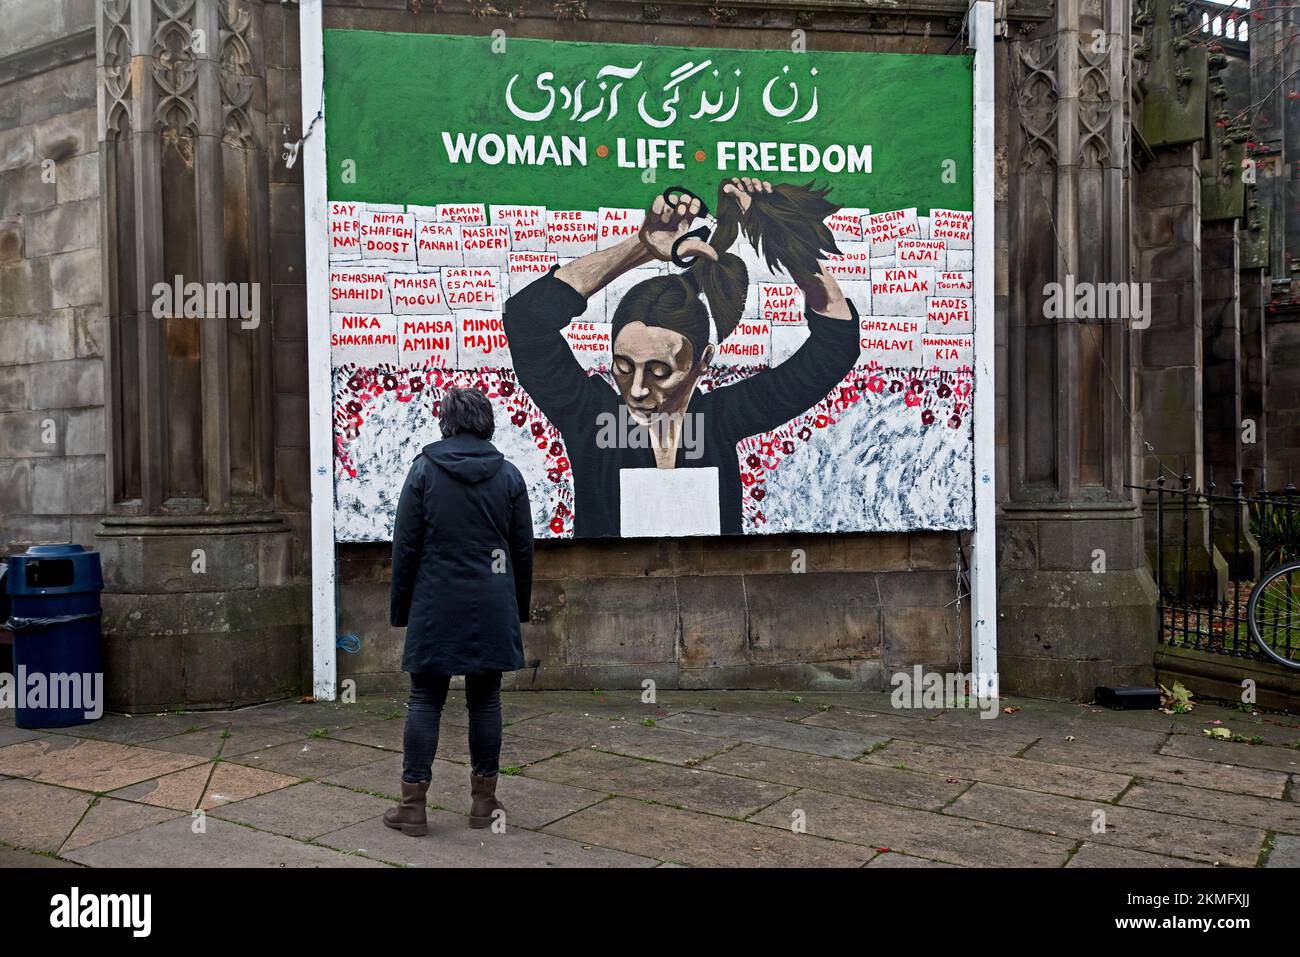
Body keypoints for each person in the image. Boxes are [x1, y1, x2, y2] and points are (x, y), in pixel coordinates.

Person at [503, 177, 861, 537]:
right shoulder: (592, 419)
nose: (638, 389)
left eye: (660, 372)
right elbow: (527, 320)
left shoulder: (721, 419)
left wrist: (777, 233)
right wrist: (641, 248)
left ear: (703, 361)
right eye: (624, 367)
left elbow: (833, 344)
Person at [384, 386, 534, 836]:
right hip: (491, 603)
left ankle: (413, 806)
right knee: (485, 699)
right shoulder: (508, 475)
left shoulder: (424, 472)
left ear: (446, 423)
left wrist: (401, 609)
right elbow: (522, 551)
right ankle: (484, 803)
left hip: (435, 602)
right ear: (486, 423)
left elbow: (405, 547)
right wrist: (517, 609)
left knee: (425, 699)